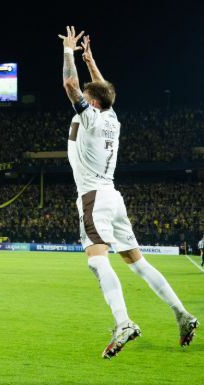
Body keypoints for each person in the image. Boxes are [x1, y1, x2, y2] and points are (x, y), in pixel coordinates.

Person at [58, 26, 199, 359]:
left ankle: (123, 322)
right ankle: (182, 313)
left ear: (92, 103)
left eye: (89, 96)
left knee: (97, 261)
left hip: (93, 196)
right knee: (137, 262)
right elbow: (105, 92)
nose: (85, 98)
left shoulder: (92, 118)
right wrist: (91, 61)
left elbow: (70, 84)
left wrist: (68, 53)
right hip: (112, 197)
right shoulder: (112, 117)